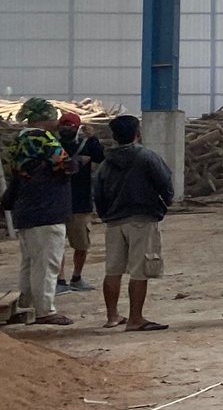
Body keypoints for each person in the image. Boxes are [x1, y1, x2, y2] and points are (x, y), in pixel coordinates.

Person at [96, 114, 174, 332]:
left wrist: (106, 215)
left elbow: (98, 193)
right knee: (140, 270)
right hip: (142, 218)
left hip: (114, 221)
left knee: (113, 270)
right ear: (138, 133)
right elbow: (165, 182)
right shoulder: (147, 157)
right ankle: (135, 318)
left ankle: (112, 316)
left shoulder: (106, 163)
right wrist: (165, 202)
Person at [2, 97, 76, 328]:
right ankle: (45, 310)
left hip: (26, 210)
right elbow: (65, 164)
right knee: (47, 262)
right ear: (44, 118)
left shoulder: (19, 140)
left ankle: (26, 304)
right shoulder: (42, 138)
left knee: (30, 261)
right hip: (47, 210)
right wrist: (78, 161)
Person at [56, 109, 105, 293]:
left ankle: (76, 277)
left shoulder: (87, 144)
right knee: (57, 243)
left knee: (82, 243)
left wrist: (93, 139)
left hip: (80, 202)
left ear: (77, 128)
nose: (67, 128)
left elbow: (101, 157)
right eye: (64, 125)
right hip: (59, 201)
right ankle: (60, 280)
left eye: (70, 125)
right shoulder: (53, 144)